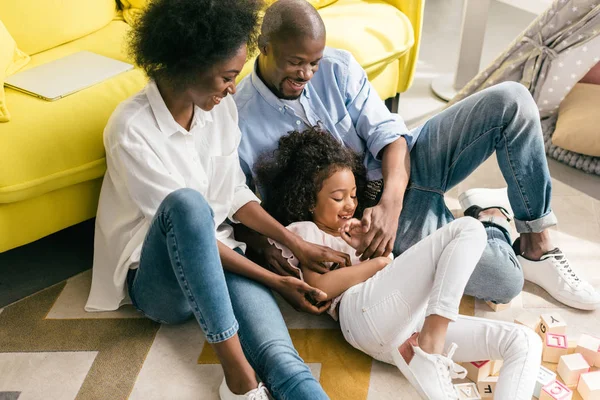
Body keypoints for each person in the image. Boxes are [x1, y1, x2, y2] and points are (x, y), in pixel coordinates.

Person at [234, 0, 600, 310]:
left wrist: (390, 203)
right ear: (263, 46)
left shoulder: (337, 67)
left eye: (313, 63)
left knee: (513, 100)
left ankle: (537, 242)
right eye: (297, 62)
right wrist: (262, 243)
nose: (308, 73)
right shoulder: (239, 118)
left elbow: (391, 137)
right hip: (364, 226)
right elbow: (234, 204)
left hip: (404, 170)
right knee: (504, 280)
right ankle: (486, 215)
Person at [85, 0, 347, 398]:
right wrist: (274, 280)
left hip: (223, 253)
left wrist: (295, 244)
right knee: (188, 204)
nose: (233, 88)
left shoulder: (218, 109)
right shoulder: (130, 129)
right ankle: (238, 378)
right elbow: (191, 230)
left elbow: (234, 194)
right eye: (227, 76)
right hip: (160, 283)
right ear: (188, 63)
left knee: (282, 357)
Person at [254, 127, 542, 399]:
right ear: (309, 202)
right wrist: (376, 264)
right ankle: (431, 347)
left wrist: (366, 249)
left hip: (402, 331)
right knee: (469, 228)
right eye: (338, 198)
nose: (350, 205)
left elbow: (390, 273)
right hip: (359, 314)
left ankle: (427, 351)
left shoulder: (356, 231)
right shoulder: (306, 234)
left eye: (353, 196)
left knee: (525, 341)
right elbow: (319, 288)